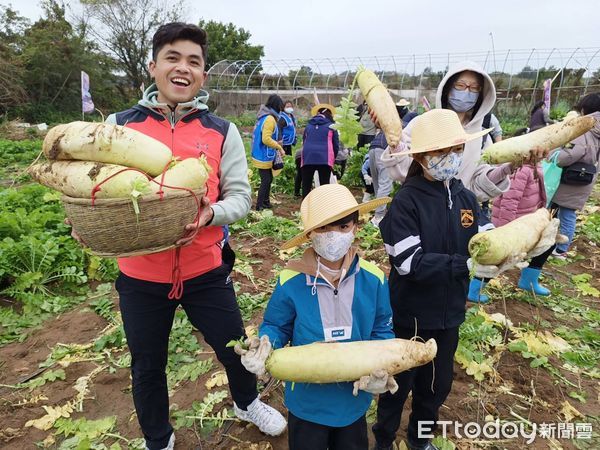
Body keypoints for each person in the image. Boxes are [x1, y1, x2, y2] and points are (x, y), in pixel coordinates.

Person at [101, 23, 286, 450]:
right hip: (141, 275)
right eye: (173, 57)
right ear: (153, 66)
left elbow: (241, 197)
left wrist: (212, 213)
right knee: (148, 363)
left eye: (194, 62)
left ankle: (245, 402)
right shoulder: (119, 125)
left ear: (203, 75)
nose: (183, 68)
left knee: (234, 347)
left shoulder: (222, 131)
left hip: (206, 267)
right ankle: (158, 438)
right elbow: (91, 184)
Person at [372, 109, 557, 450]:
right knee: (398, 386)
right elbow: (409, 264)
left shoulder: (465, 197)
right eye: (441, 152)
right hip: (410, 317)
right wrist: (466, 264)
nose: (450, 159)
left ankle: (420, 440)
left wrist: (516, 248)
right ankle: (383, 439)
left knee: (436, 387)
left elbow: (487, 235)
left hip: (449, 315)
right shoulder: (405, 203)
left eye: (456, 150)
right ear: (421, 157)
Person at [235, 183, 395, 450]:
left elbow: (382, 329)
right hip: (306, 402)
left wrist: (384, 367)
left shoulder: (374, 278)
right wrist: (265, 343)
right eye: (323, 228)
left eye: (343, 227)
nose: (334, 236)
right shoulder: (290, 281)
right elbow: (276, 325)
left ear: (356, 228)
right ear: (309, 234)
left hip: (353, 400)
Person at [381, 61, 548, 204]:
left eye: (474, 88)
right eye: (460, 86)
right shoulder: (422, 125)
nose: (467, 92)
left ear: (481, 94)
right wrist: (394, 141)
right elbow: (403, 170)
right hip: (419, 210)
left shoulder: (481, 138)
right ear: (447, 89)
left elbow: (477, 185)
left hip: (458, 218)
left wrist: (510, 167)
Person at [550, 92, 600, 258]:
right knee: (566, 212)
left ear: (585, 110)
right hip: (585, 178)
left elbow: (571, 154)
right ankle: (557, 246)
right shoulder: (597, 130)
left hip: (570, 180)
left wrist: (554, 155)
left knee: (561, 212)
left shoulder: (585, 129)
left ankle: (560, 249)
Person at [251, 94, 286, 210]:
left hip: (259, 153)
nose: (281, 110)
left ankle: (265, 202)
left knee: (268, 179)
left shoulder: (263, 117)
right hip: (263, 155)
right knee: (266, 180)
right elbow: (265, 139)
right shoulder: (270, 119)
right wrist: (279, 147)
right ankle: (260, 205)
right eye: (280, 107)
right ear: (277, 106)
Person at [301, 104, 339, 197]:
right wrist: (333, 158)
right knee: (324, 185)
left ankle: (305, 206)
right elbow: (336, 145)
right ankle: (322, 206)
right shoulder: (332, 126)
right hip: (324, 157)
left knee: (306, 184)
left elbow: (304, 140)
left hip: (308, 157)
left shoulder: (308, 125)